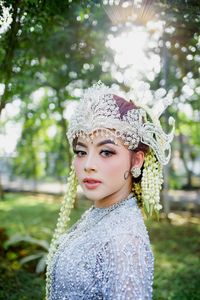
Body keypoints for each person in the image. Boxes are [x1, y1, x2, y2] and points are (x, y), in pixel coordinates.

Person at [46, 81, 175, 300]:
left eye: (106, 152)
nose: (88, 164)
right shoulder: (99, 215)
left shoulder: (125, 240)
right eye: (81, 151)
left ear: (136, 161)